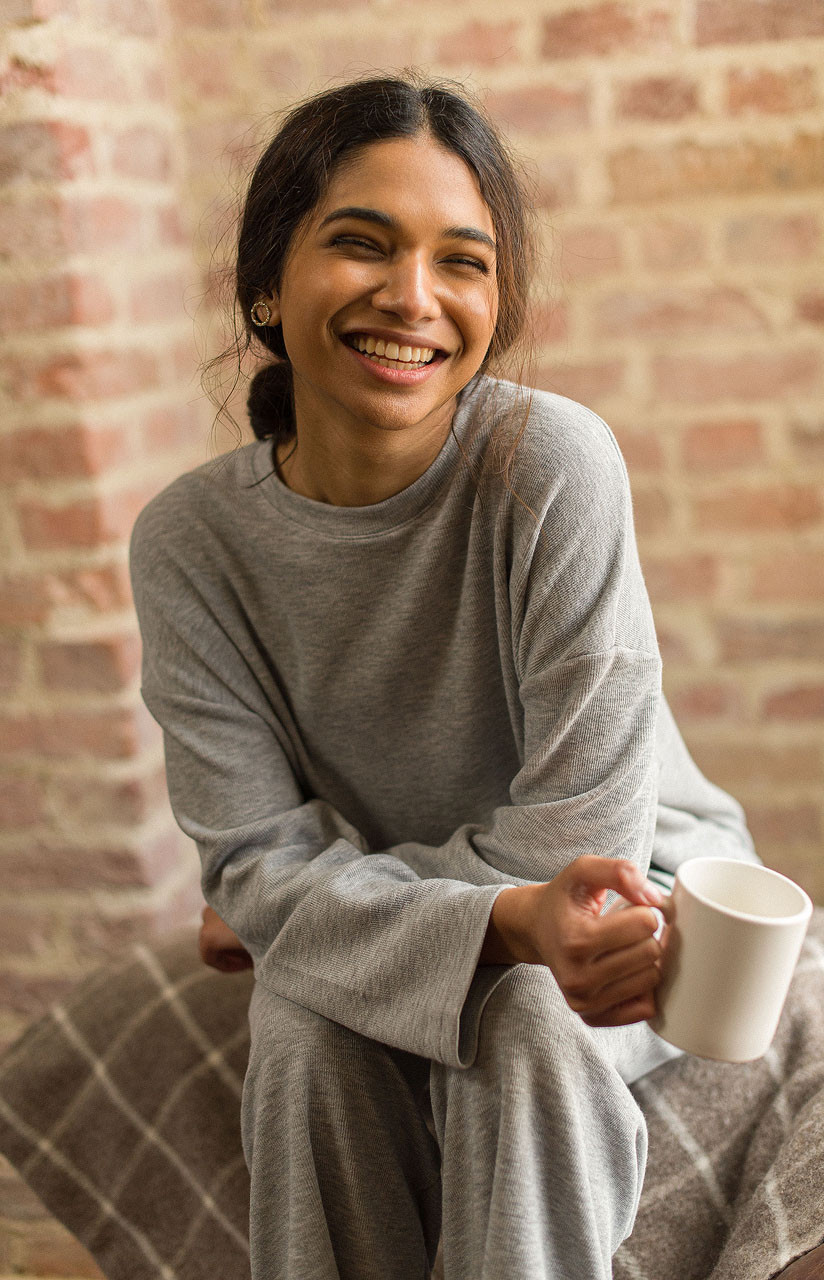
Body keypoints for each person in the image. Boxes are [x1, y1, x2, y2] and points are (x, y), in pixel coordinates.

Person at [130, 74, 757, 1280]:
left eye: (461, 261)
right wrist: (291, 899)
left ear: (496, 299)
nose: (412, 297)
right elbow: (259, 864)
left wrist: (304, 906)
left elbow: (576, 843)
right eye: (361, 243)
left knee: (523, 1017)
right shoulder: (189, 544)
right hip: (450, 895)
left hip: (622, 886)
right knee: (299, 1026)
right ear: (266, 282)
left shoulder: (551, 464)